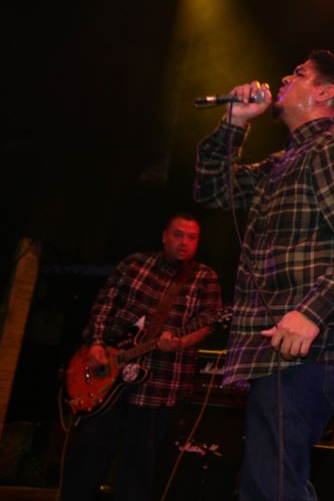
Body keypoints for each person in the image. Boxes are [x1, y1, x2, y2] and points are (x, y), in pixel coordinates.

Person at [194, 49, 334, 501]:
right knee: (266, 487)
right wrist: (234, 123)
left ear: (325, 92)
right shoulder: (285, 161)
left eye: (300, 74)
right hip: (276, 355)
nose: (285, 77)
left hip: (308, 353)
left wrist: (310, 313)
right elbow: (211, 190)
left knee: (272, 488)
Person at [61, 213, 223, 501]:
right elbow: (104, 305)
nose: (184, 243)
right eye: (178, 235)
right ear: (164, 236)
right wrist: (96, 344)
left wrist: (180, 342)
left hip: (161, 383)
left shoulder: (205, 277)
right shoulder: (134, 263)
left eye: (191, 237)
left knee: (138, 466)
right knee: (89, 453)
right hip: (108, 374)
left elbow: (208, 322)